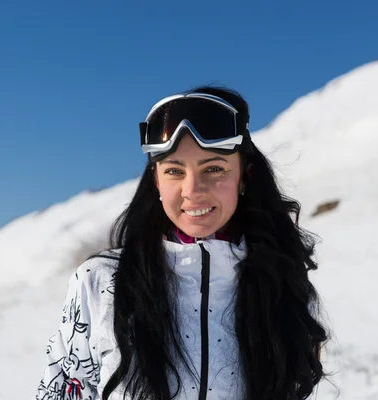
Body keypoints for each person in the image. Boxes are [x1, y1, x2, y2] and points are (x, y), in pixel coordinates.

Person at [35, 86, 329, 400]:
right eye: (175, 171)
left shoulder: (283, 285)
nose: (193, 190)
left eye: (214, 169)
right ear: (156, 180)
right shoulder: (101, 282)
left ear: (244, 176)